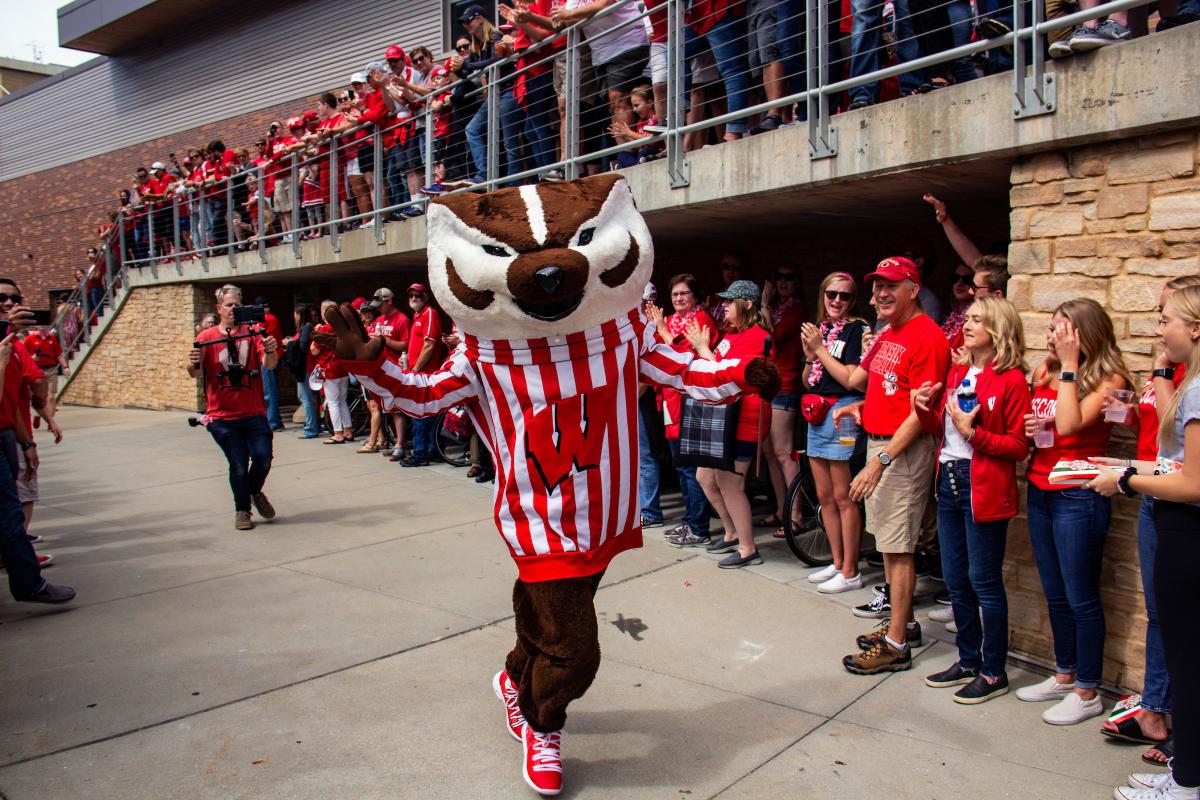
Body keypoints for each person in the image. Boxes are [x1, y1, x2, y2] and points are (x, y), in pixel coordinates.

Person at [1087, 285, 1200, 800]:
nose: (1159, 329)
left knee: (1187, 661)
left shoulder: (1197, 389)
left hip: (1188, 532)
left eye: (1166, 320)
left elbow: (1193, 483)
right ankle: (1185, 773)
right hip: (1181, 527)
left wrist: (1127, 482)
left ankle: (1186, 782)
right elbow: (1178, 464)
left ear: (1194, 328)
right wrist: (1132, 465)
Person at [1017, 298, 1131, 725]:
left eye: (1061, 330)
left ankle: (1088, 690)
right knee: (1055, 591)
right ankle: (1064, 674)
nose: (1051, 337)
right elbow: (1045, 428)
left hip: (1078, 495)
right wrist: (1031, 427)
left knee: (1082, 597)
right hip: (1041, 488)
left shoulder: (1107, 377)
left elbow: (1068, 424)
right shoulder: (1042, 371)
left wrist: (1068, 367)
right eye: (1050, 329)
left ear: (1083, 335)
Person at [915, 296, 1031, 704]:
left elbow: (1018, 446)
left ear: (997, 330)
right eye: (967, 318)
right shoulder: (959, 370)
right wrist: (926, 410)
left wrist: (973, 432)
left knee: (984, 581)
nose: (967, 325)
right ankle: (967, 659)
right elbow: (943, 432)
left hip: (982, 485)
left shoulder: (1011, 379)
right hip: (948, 479)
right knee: (955, 578)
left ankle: (993, 670)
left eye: (978, 320)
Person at [839, 256, 951, 675]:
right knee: (888, 542)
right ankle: (903, 624)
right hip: (881, 446)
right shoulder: (892, 333)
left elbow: (921, 413)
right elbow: (889, 391)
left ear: (913, 288)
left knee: (900, 547)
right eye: (877, 286)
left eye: (890, 286)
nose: (879, 294)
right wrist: (858, 405)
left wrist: (880, 462)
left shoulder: (928, 337)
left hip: (901, 454)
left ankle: (896, 645)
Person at [688, 280, 773, 568]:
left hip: (744, 419)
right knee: (705, 477)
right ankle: (732, 531)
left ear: (747, 305)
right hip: (723, 417)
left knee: (730, 484)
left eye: (729, 301)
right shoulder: (730, 334)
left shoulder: (757, 336)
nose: (723, 306)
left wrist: (703, 350)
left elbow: (729, 376)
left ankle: (749, 549)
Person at [0, 279, 75, 605]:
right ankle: (29, 583)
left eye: (14, 298)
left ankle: (28, 580)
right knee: (9, 515)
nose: (10, 304)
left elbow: (25, 393)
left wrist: (28, 441)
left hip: (7, 434)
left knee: (12, 511)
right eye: (2, 299)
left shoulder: (14, 344)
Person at [188, 285, 278, 531]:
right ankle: (243, 510)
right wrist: (191, 363)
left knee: (263, 458)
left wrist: (271, 350)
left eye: (238, 304)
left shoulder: (254, 331)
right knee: (238, 463)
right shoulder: (206, 337)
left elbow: (269, 364)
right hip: (222, 415)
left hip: (253, 411)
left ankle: (254, 491)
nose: (234, 309)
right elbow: (195, 373)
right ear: (219, 308)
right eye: (229, 305)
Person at [799, 273, 868, 593]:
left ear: (853, 300)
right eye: (832, 294)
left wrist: (820, 350)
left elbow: (854, 379)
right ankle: (837, 562)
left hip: (843, 412)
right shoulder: (821, 327)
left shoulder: (857, 330)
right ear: (823, 295)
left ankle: (851, 570)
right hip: (817, 412)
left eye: (845, 296)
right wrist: (812, 356)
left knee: (843, 496)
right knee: (825, 495)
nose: (837, 301)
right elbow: (808, 379)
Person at [645, 273, 719, 547]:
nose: (678, 299)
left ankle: (698, 526)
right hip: (670, 403)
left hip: (691, 403)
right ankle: (689, 521)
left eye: (684, 294)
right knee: (681, 465)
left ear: (695, 297)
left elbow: (684, 359)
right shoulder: (674, 321)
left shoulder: (701, 321)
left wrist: (662, 330)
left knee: (690, 468)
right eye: (675, 294)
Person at [757, 266, 806, 539]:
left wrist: (764, 304)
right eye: (779, 277)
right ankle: (781, 509)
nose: (784, 282)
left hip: (786, 386)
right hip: (768, 386)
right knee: (769, 455)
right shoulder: (776, 308)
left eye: (790, 277)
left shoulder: (796, 310)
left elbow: (773, 337)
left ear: (798, 283)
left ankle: (796, 515)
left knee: (783, 453)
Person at [399, 284, 444, 467]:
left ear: (425, 297)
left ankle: (420, 453)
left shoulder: (429, 314)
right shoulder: (417, 315)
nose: (413, 298)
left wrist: (416, 368)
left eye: (417, 295)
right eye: (410, 295)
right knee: (427, 414)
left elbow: (430, 345)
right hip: (418, 371)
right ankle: (431, 450)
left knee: (420, 414)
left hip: (424, 373)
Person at [371, 288, 411, 460]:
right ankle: (394, 441)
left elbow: (405, 345)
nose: (378, 309)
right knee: (388, 408)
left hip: (397, 368)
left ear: (389, 301)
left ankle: (401, 444)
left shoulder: (402, 319)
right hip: (382, 369)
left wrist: (384, 340)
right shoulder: (379, 319)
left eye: (381, 305)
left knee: (398, 408)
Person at [312, 300, 354, 445]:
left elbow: (314, 349)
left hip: (329, 368)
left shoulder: (323, 329)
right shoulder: (343, 328)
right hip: (343, 367)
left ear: (324, 314)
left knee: (332, 402)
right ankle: (348, 430)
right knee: (342, 400)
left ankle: (338, 433)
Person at [258, 298, 285, 431]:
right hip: (273, 356)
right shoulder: (270, 318)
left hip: (270, 356)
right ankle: (275, 419)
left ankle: (273, 421)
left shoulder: (267, 319)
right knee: (269, 390)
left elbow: (260, 336)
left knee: (269, 391)